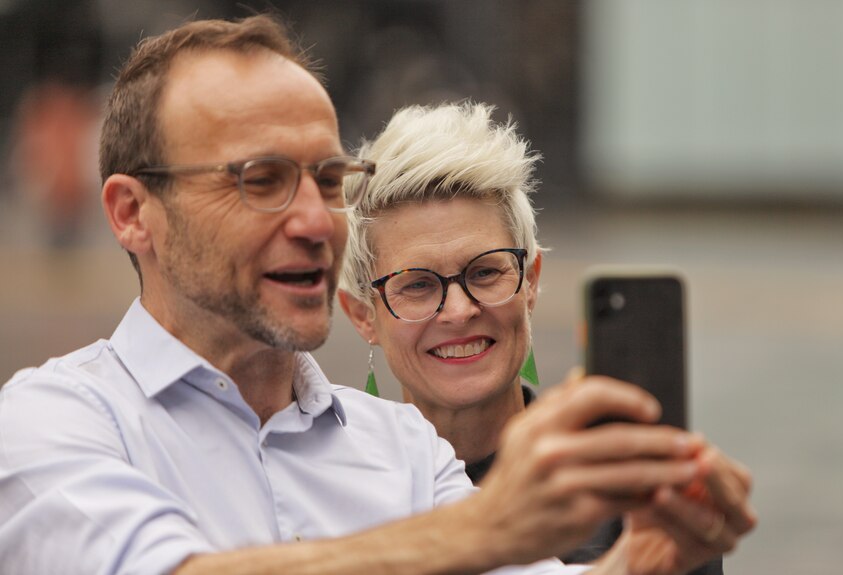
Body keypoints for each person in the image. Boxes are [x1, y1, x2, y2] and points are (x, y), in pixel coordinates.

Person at [0, 15, 752, 575]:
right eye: (260, 180)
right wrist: (494, 523)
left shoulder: (402, 448)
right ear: (133, 213)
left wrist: (653, 551)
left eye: (329, 180)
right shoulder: (55, 421)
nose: (315, 219)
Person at [338, 102, 755, 573]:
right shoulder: (334, 494)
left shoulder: (625, 488)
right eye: (417, 284)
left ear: (530, 281)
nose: (459, 310)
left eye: (485, 271)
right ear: (361, 315)